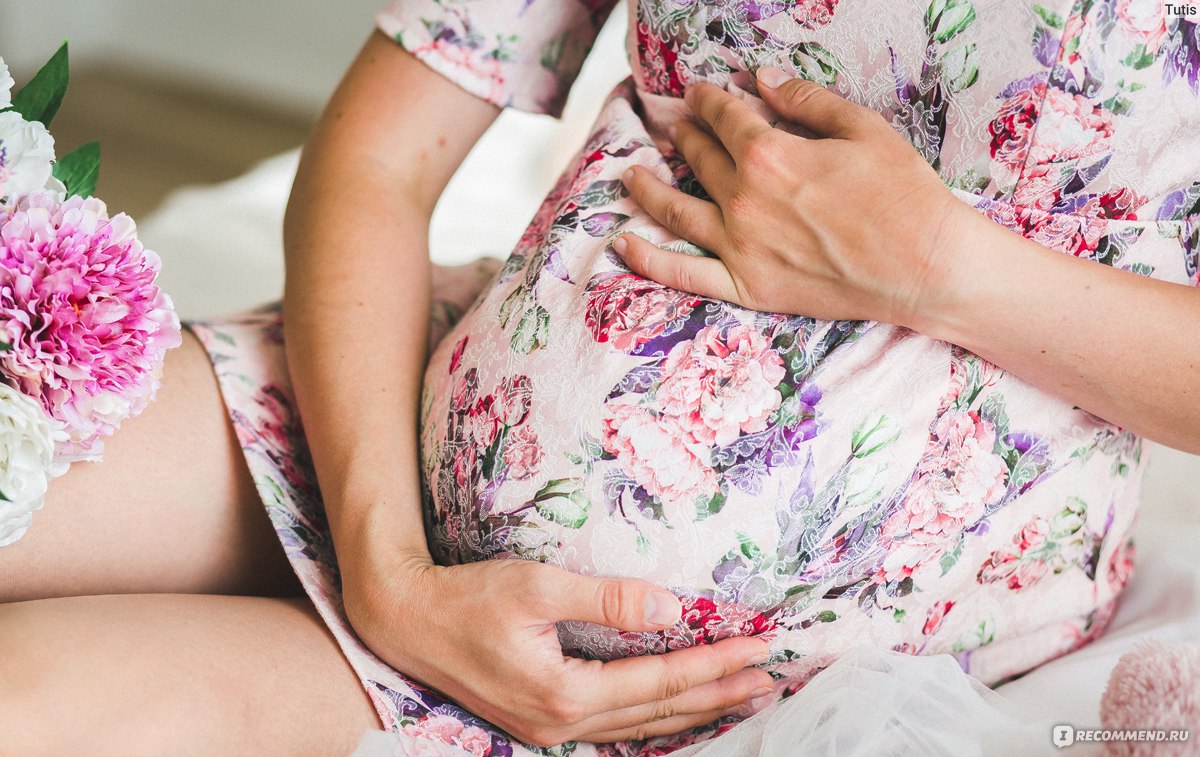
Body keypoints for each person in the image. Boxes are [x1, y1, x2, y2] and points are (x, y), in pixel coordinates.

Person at [3, 0, 1198, 754]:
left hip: (689, 690)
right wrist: (389, 575)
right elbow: (379, 158)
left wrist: (936, 269)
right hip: (388, 416)